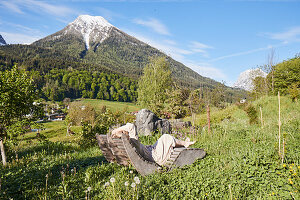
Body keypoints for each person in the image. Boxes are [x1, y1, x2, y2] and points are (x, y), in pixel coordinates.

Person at [111, 123, 195, 166]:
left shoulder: (129, 143)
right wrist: (116, 130)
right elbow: (131, 126)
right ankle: (185, 143)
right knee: (165, 137)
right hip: (154, 156)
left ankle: (184, 143)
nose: (124, 131)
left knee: (164, 140)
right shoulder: (133, 141)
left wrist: (117, 132)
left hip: (149, 151)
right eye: (123, 132)